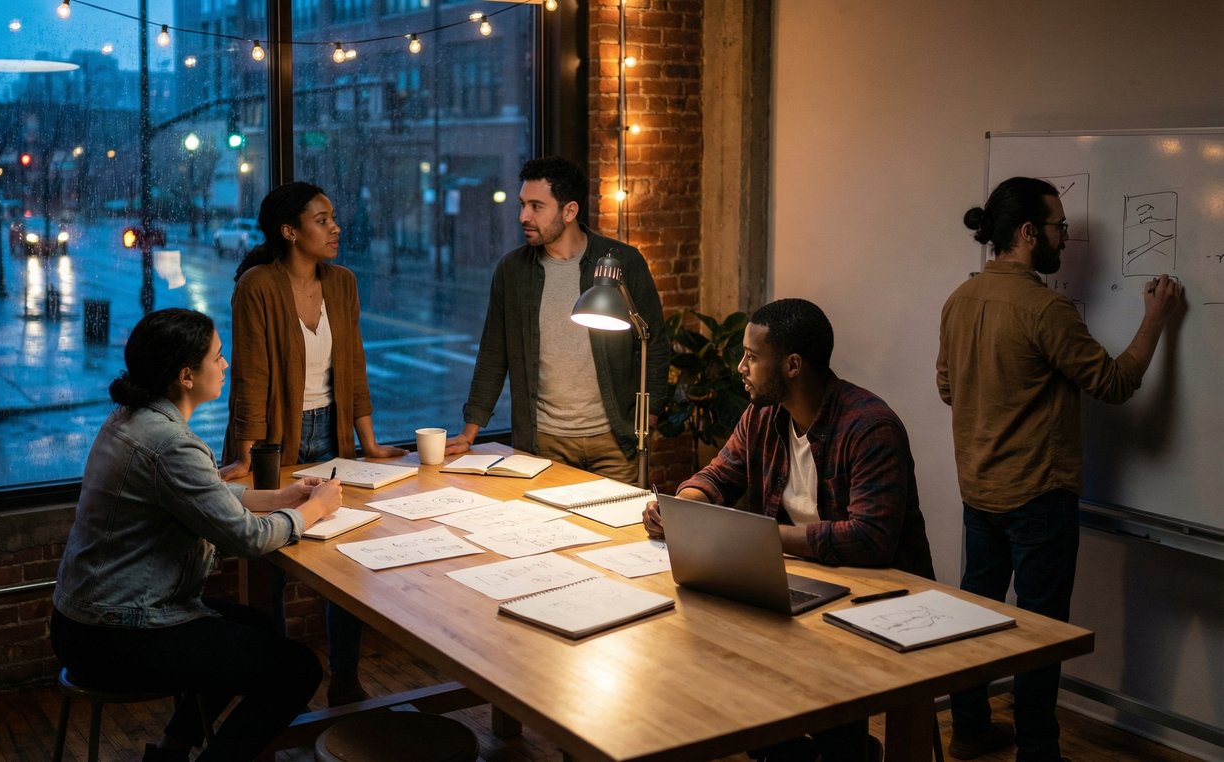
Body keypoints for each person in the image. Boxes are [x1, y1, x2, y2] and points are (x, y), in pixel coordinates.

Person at [937, 177, 1184, 762]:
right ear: (1028, 233)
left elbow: (948, 387)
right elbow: (1117, 384)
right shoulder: (1047, 309)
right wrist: (1156, 319)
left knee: (975, 614)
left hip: (979, 488)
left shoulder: (960, 298)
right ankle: (1039, 751)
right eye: (1058, 227)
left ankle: (969, 729)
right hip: (1038, 495)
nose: (1065, 238)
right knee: (1041, 630)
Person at [642, 298, 933, 762]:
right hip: (803, 583)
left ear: (792, 365)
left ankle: (844, 749)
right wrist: (682, 509)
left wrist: (759, 536)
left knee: (799, 684)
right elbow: (718, 475)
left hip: (880, 596)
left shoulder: (869, 427)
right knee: (712, 651)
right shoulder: (763, 416)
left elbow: (870, 539)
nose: (741, 367)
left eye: (752, 357)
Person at [51, 308, 342, 761]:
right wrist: (314, 511)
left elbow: (202, 495)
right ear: (187, 375)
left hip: (82, 623)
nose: (225, 365)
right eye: (217, 357)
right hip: (120, 637)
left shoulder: (131, 419)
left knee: (255, 626)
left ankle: (170, 750)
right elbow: (244, 539)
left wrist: (283, 497)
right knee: (298, 669)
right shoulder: (171, 444)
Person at [219, 181, 406, 706]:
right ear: (289, 231)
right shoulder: (257, 285)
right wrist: (247, 455)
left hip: (334, 436)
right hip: (274, 440)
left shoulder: (342, 282)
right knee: (271, 562)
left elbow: (354, 365)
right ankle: (278, 685)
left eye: (332, 217)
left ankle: (344, 678)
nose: (335, 227)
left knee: (346, 562)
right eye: (321, 219)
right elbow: (250, 375)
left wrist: (368, 444)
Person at [444, 155, 670, 485]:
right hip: (544, 445)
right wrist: (470, 432)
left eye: (537, 206)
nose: (523, 216)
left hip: (614, 442)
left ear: (569, 211)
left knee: (619, 533)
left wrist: (646, 421)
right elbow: (494, 354)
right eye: (522, 204)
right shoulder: (512, 271)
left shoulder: (623, 263)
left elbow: (653, 344)